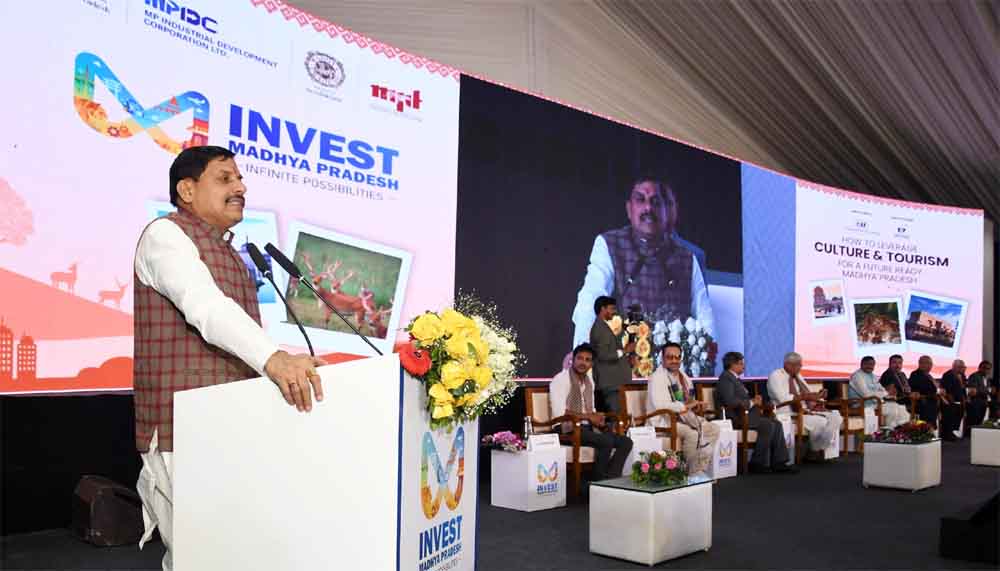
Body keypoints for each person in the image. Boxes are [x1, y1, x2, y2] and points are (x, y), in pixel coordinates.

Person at [133, 146, 325, 571]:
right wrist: (274, 359)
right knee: (198, 557)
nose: (240, 188)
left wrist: (286, 360)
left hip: (231, 423)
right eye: (225, 178)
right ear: (186, 190)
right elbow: (204, 307)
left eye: (240, 179)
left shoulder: (231, 253)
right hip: (181, 428)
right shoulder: (165, 236)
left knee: (235, 552)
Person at [571, 178, 713, 347]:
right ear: (629, 209)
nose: (648, 208)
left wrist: (708, 354)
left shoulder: (687, 258)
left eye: (656, 202)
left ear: (666, 211)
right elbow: (590, 301)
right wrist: (583, 349)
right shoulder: (609, 244)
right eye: (640, 199)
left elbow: (705, 318)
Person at [549, 343, 634, 480]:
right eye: (580, 358)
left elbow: (591, 409)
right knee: (605, 441)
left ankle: (611, 480)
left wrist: (598, 419)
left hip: (586, 427)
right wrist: (589, 417)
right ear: (573, 360)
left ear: (592, 364)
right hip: (566, 428)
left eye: (587, 360)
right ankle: (597, 482)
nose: (583, 363)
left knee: (626, 442)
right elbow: (560, 413)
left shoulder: (589, 381)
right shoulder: (560, 380)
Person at [646, 343, 720, 476]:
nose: (674, 360)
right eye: (670, 357)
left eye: (677, 357)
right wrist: (686, 406)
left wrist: (696, 405)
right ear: (662, 359)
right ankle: (691, 473)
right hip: (664, 421)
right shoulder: (656, 378)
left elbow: (688, 401)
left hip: (684, 418)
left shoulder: (684, 377)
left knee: (713, 429)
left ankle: (699, 467)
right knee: (692, 434)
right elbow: (660, 405)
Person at [715, 352, 795, 473]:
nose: (744, 366)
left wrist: (754, 401)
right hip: (735, 417)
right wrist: (752, 402)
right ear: (732, 364)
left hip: (746, 415)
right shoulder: (726, 378)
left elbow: (740, 398)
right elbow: (730, 401)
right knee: (768, 425)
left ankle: (779, 462)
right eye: (741, 363)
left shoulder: (734, 378)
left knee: (776, 424)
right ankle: (757, 463)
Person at [767, 352, 843, 454]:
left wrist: (819, 396)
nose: (800, 368)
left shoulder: (798, 376)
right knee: (822, 422)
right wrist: (805, 397)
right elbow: (782, 399)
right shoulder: (775, 376)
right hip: (787, 412)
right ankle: (815, 450)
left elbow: (808, 393)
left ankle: (815, 447)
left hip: (806, 410)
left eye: (800, 365)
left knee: (836, 416)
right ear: (787, 364)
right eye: (798, 365)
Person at [589, 296, 635, 413]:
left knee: (618, 417)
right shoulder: (599, 328)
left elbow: (610, 349)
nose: (614, 312)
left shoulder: (603, 326)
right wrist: (624, 351)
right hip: (610, 385)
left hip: (614, 384)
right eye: (612, 308)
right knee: (615, 418)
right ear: (603, 309)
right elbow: (602, 354)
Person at [849, 356, 910, 428]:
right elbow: (866, 394)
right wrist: (887, 392)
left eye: (872, 364)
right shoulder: (857, 376)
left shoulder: (873, 376)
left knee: (901, 408)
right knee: (893, 410)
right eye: (867, 364)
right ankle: (889, 430)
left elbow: (882, 389)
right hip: (861, 404)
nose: (870, 366)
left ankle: (901, 431)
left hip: (875, 403)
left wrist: (891, 394)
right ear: (861, 364)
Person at [908, 355, 941, 428]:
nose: (930, 366)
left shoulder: (928, 375)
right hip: (921, 401)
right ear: (920, 364)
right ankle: (926, 429)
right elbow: (920, 389)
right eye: (927, 363)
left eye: (931, 364)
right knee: (929, 408)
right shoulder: (915, 374)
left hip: (932, 400)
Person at [939, 359, 967, 441]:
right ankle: (947, 433)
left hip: (959, 400)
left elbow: (963, 389)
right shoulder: (948, 375)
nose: (963, 369)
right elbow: (946, 390)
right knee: (952, 409)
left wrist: (964, 399)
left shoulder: (962, 376)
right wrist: (953, 401)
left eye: (963, 367)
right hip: (948, 400)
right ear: (955, 367)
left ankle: (954, 431)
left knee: (962, 409)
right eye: (961, 367)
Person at [966, 360, 994, 429]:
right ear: (980, 368)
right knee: (973, 423)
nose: (987, 371)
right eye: (986, 368)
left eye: (989, 369)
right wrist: (988, 391)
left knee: (979, 423)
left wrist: (989, 391)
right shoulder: (974, 376)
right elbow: (973, 391)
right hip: (975, 404)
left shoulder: (987, 378)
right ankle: (969, 435)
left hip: (983, 403)